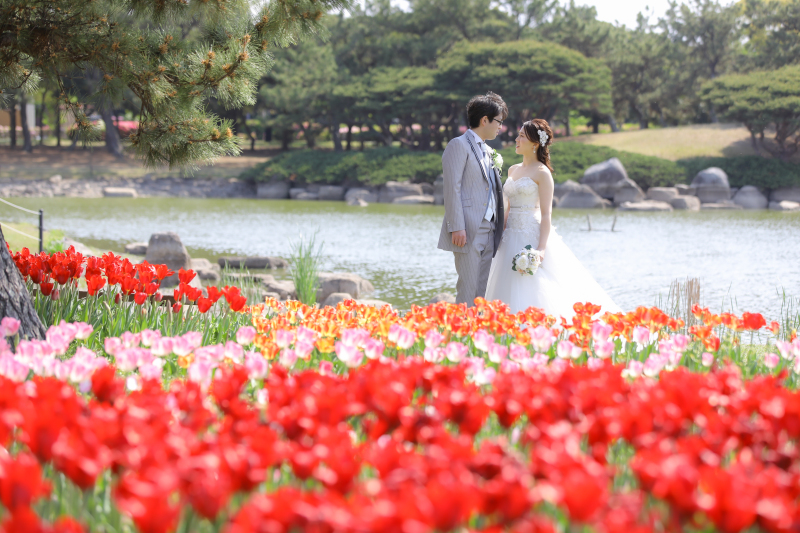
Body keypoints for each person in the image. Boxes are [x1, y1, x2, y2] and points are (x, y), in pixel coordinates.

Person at [484, 119, 621, 317]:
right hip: (508, 236)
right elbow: (507, 207)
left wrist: (540, 249)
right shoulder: (513, 169)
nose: (516, 139)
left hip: (530, 234)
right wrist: (499, 235)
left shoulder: (543, 173)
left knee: (531, 285)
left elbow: (547, 214)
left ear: (535, 143)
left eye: (521, 136)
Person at [437, 92, 507, 306]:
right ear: (484, 120)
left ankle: (476, 337)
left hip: (489, 230)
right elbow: (452, 188)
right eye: (498, 121)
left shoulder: (489, 151)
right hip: (467, 229)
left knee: (480, 293)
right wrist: (456, 226)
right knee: (467, 290)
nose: (500, 127)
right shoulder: (458, 145)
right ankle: (460, 337)